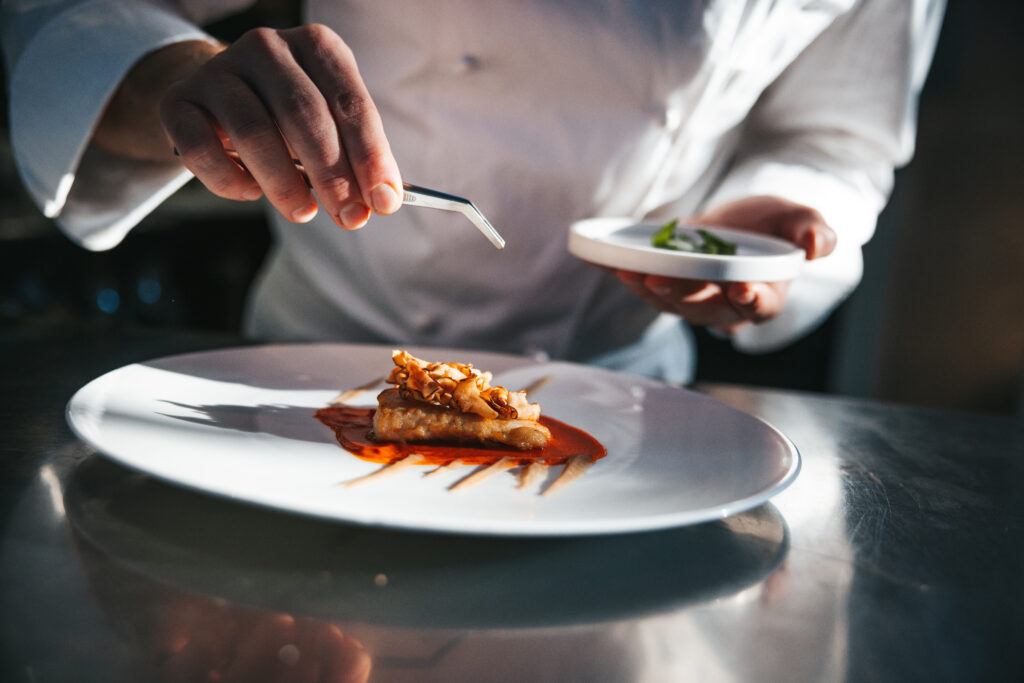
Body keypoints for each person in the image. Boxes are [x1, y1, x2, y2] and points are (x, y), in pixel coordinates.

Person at [2, 0, 944, 383]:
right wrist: (180, 79)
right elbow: (59, 12)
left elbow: (832, 138)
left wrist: (762, 228)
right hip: (314, 362)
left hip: (623, 397)